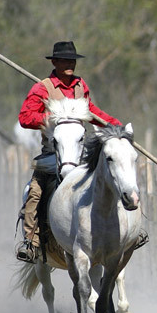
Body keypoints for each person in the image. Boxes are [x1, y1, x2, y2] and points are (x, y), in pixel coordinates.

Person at [16, 40, 122, 262]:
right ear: (54, 62)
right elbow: (25, 117)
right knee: (35, 191)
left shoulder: (80, 86)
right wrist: (51, 119)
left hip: (81, 153)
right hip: (52, 154)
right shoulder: (42, 88)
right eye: (64, 60)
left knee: (112, 177)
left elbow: (91, 111)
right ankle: (31, 242)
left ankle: (126, 232)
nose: (69, 64)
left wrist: (113, 125)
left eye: (72, 60)